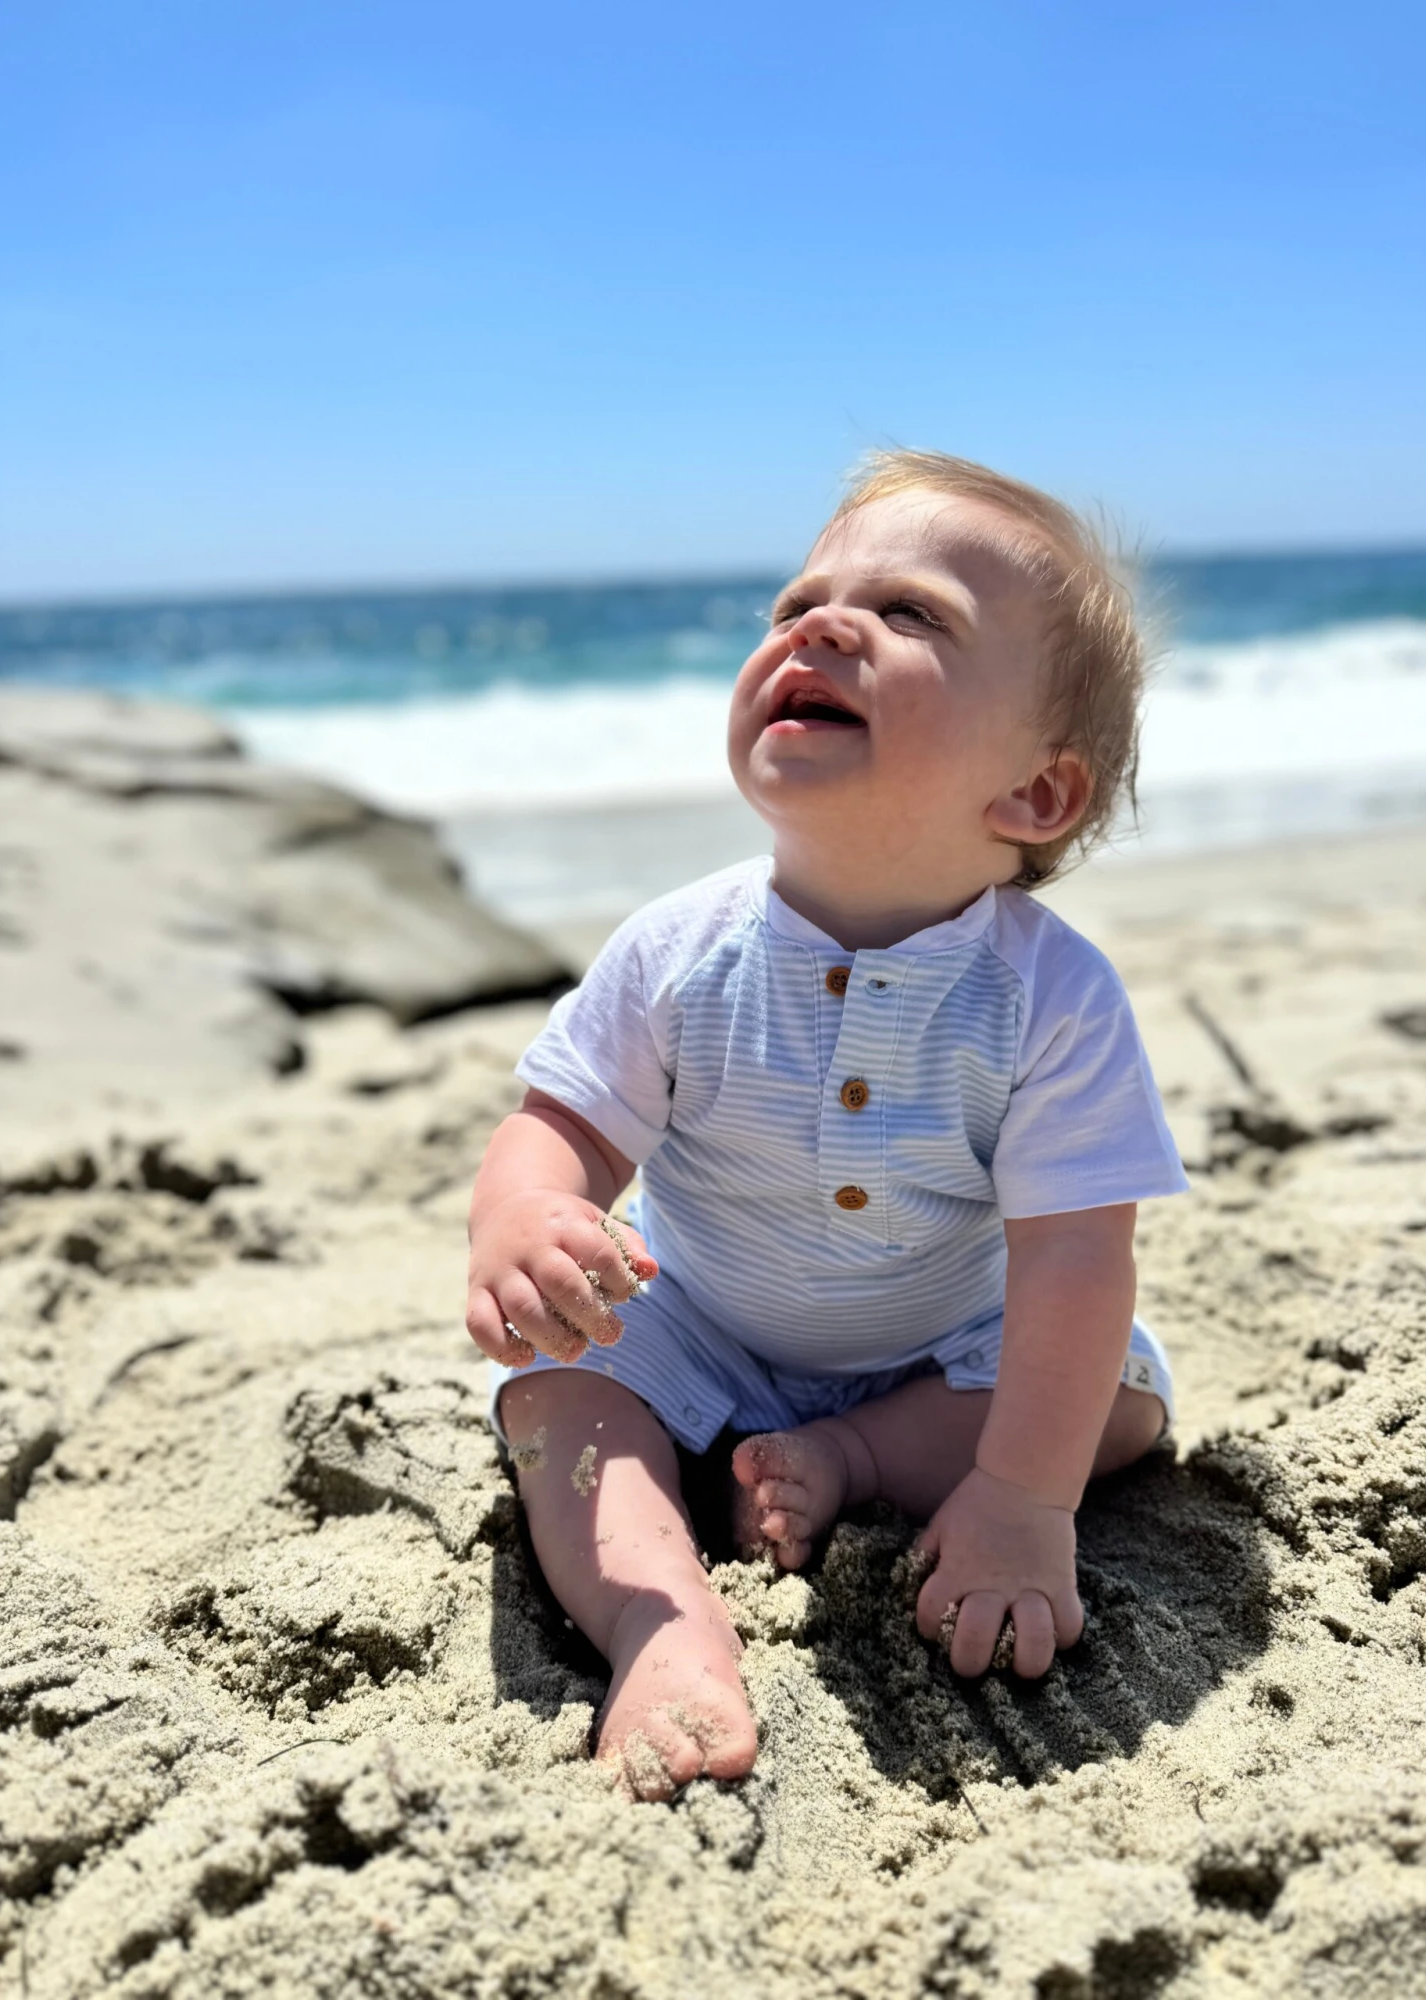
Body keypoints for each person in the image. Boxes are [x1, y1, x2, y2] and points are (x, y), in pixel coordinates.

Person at [466, 450, 1188, 1799]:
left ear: (1035, 793)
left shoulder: (1052, 998)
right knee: (558, 1397)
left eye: (912, 616)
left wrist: (1027, 1503)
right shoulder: (681, 950)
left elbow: (1078, 1260)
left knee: (1115, 1402)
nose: (818, 626)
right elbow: (558, 1124)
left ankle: (853, 1460)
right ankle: (658, 1621)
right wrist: (525, 1217)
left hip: (943, 1353)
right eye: (799, 600)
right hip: (702, 1323)